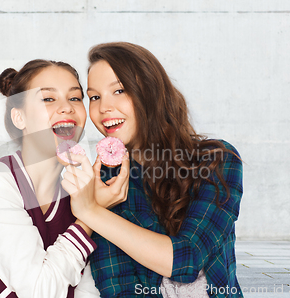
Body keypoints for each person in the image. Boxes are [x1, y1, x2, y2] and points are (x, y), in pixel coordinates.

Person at [62, 42, 244, 297]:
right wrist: (92, 205)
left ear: (151, 91)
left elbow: (187, 260)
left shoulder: (215, 160)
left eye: (119, 90)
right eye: (94, 97)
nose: (103, 108)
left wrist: (90, 210)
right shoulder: (108, 181)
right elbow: (116, 285)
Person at [0, 60, 101, 298]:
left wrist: (90, 207)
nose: (67, 108)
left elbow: (88, 291)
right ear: (20, 118)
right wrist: (89, 218)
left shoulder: (78, 196)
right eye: (48, 99)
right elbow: (38, 290)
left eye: (75, 98)